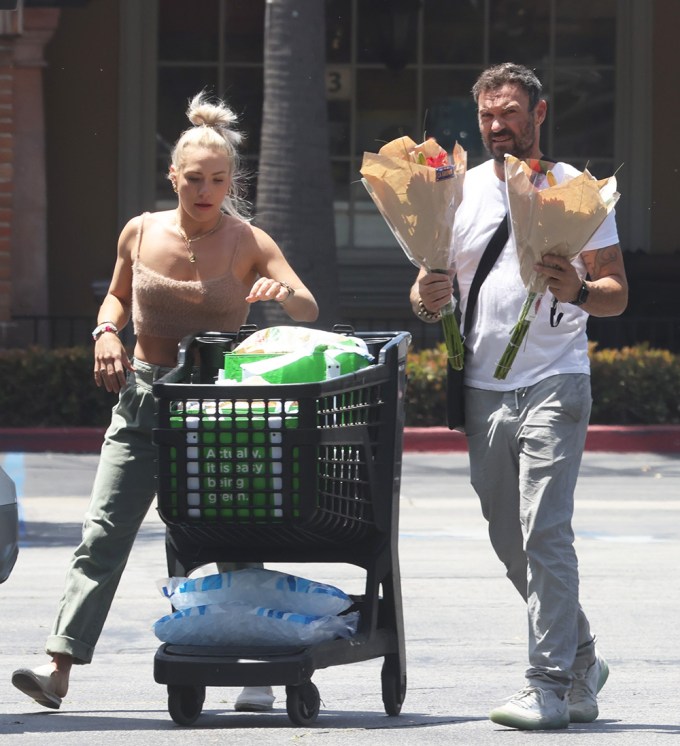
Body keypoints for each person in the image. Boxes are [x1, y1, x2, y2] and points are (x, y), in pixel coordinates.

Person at [12, 92, 319, 713]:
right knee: (102, 531)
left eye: (219, 180)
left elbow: (308, 307)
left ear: (231, 181)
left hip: (219, 403)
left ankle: (255, 668)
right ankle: (59, 665)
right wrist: (105, 333)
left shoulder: (248, 238)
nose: (206, 190)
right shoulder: (142, 230)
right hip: (146, 396)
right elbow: (117, 299)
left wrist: (279, 292)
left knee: (235, 532)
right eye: (195, 179)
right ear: (173, 176)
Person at [410, 63, 628, 731]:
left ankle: (549, 686)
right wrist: (425, 298)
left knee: (546, 531)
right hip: (481, 387)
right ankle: (583, 658)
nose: (497, 125)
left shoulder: (575, 193)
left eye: (509, 112)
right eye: (487, 115)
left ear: (539, 114)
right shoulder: (456, 192)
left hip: (556, 379)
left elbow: (616, 293)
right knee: (510, 539)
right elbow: (425, 288)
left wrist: (581, 293)